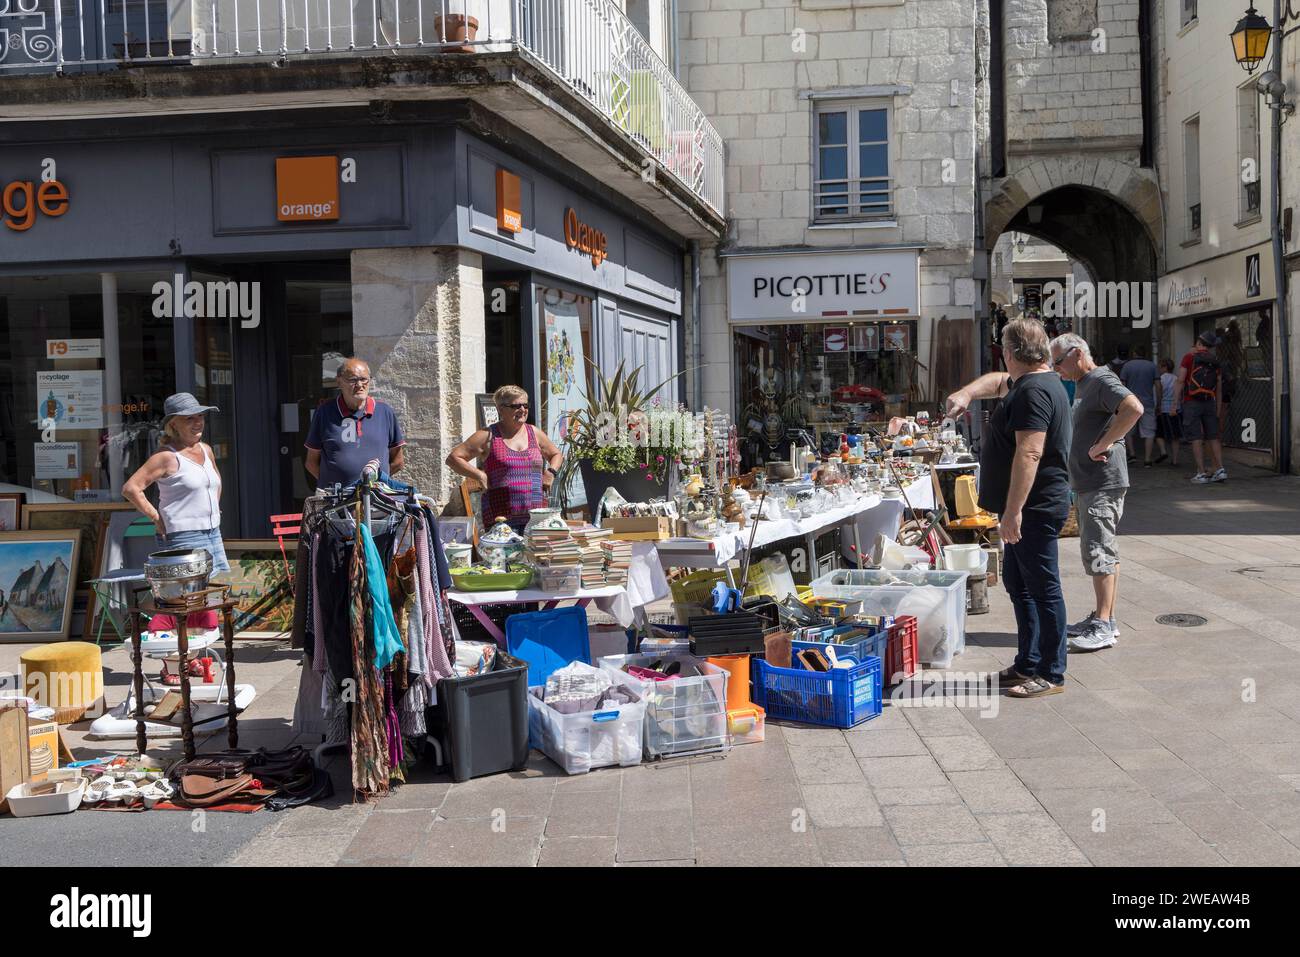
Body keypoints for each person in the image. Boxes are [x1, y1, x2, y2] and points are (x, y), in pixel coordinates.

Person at [946, 319, 1072, 698]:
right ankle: (1027, 662)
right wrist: (967, 393)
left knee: (1044, 588)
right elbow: (999, 381)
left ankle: (1051, 673)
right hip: (1024, 507)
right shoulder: (1031, 382)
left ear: (1011, 351)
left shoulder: (1034, 392)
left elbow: (1030, 451)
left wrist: (1014, 511)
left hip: (1033, 507)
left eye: (1003, 347)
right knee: (1020, 584)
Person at [1050, 334, 1144, 652]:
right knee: (1103, 550)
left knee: (1100, 552)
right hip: (1093, 481)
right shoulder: (1086, 382)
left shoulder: (1100, 379)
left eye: (1058, 362)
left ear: (1077, 354)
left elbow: (1133, 408)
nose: (1056, 369)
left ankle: (1103, 624)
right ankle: (1105, 618)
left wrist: (1104, 444)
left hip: (1102, 481)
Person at [123, 392, 229, 574]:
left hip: (213, 531)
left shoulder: (206, 450)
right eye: (189, 418)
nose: (198, 422)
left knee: (216, 590)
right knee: (190, 596)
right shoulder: (166, 456)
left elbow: (215, 483)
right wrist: (156, 518)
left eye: (200, 416)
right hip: (183, 535)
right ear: (173, 424)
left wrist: (213, 508)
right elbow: (131, 488)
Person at [445, 385, 563, 533]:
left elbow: (556, 454)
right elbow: (453, 458)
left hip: (537, 519)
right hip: (502, 522)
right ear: (500, 409)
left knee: (536, 556)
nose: (522, 410)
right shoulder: (488, 436)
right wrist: (479, 475)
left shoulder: (534, 433)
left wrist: (551, 472)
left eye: (525, 405)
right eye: (515, 406)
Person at [305, 358, 406, 492]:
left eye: (364, 379)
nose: (359, 385)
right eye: (352, 380)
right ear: (339, 381)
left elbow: (398, 462)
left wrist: (370, 484)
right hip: (337, 503)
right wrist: (333, 487)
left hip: (377, 499)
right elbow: (311, 463)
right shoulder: (324, 413)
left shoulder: (384, 412)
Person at [1174, 332, 1226, 484]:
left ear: (1198, 342)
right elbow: (1219, 386)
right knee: (1213, 437)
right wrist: (1217, 408)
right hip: (1210, 401)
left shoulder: (1189, 357)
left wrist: (1174, 403)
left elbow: (1181, 380)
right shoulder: (1214, 360)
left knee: (1196, 438)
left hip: (1192, 402)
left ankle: (1201, 473)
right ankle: (1220, 470)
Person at [1119, 344, 1162, 466]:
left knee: (1127, 430)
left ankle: (1132, 454)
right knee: (1149, 432)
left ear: (1134, 354)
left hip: (1131, 403)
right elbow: (1158, 386)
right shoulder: (1152, 366)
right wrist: (1159, 403)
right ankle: (1147, 459)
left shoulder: (1127, 366)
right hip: (1147, 403)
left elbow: (1121, 385)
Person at [1155, 358, 1182, 467]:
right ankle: (1175, 460)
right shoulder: (1176, 378)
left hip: (1164, 408)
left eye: (1160, 366)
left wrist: (1157, 406)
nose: (1159, 369)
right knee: (1175, 436)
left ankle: (1164, 451)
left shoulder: (1160, 379)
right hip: (1176, 409)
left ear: (1165, 367)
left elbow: (1157, 394)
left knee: (1159, 433)